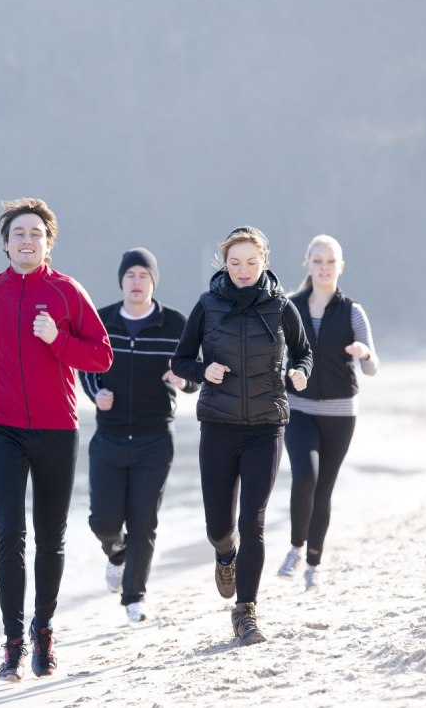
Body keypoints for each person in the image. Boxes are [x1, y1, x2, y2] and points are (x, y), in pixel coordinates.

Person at [0, 198, 114, 681]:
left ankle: (42, 631)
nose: (27, 241)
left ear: (48, 243)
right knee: (9, 533)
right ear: (5, 243)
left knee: (51, 537)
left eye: (35, 234)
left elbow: (101, 355)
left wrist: (57, 341)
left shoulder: (67, 292)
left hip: (55, 427)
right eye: (19, 234)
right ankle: (10, 643)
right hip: (0, 425)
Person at [171, 226, 313, 646]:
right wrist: (202, 371)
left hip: (266, 427)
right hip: (217, 425)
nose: (243, 270)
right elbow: (181, 360)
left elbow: (303, 351)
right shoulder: (207, 305)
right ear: (224, 263)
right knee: (220, 526)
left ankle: (246, 612)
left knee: (253, 521)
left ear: (264, 261)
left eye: (252, 262)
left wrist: (300, 372)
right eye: (235, 262)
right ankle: (223, 555)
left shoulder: (281, 307)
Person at [80, 248, 198, 624]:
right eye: (130, 275)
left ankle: (135, 596)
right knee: (103, 522)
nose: (136, 282)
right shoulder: (103, 321)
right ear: (121, 281)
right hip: (110, 437)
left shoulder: (175, 324)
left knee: (144, 520)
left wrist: (184, 380)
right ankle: (116, 554)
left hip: (154, 437)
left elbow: (194, 371)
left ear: (153, 281)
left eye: (143, 275)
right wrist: (95, 392)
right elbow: (83, 365)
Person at [277, 235, 379, 591]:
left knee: (324, 489)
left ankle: (313, 565)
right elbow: (275, 355)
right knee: (304, 476)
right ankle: (294, 548)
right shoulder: (289, 306)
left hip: (340, 412)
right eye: (317, 261)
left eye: (330, 261)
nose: (323, 267)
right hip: (299, 407)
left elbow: (372, 368)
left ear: (341, 267)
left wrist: (364, 353)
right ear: (306, 265)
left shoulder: (352, 311)